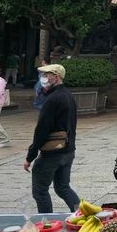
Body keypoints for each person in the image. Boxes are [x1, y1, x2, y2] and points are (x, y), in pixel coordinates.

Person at [23, 64, 80, 213]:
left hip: (52, 153)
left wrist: (31, 156)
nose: (44, 78)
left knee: (40, 191)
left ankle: (46, 222)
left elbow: (41, 130)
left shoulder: (52, 99)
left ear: (56, 76)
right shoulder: (68, 95)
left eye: (47, 75)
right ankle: (82, 213)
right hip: (68, 151)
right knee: (63, 187)